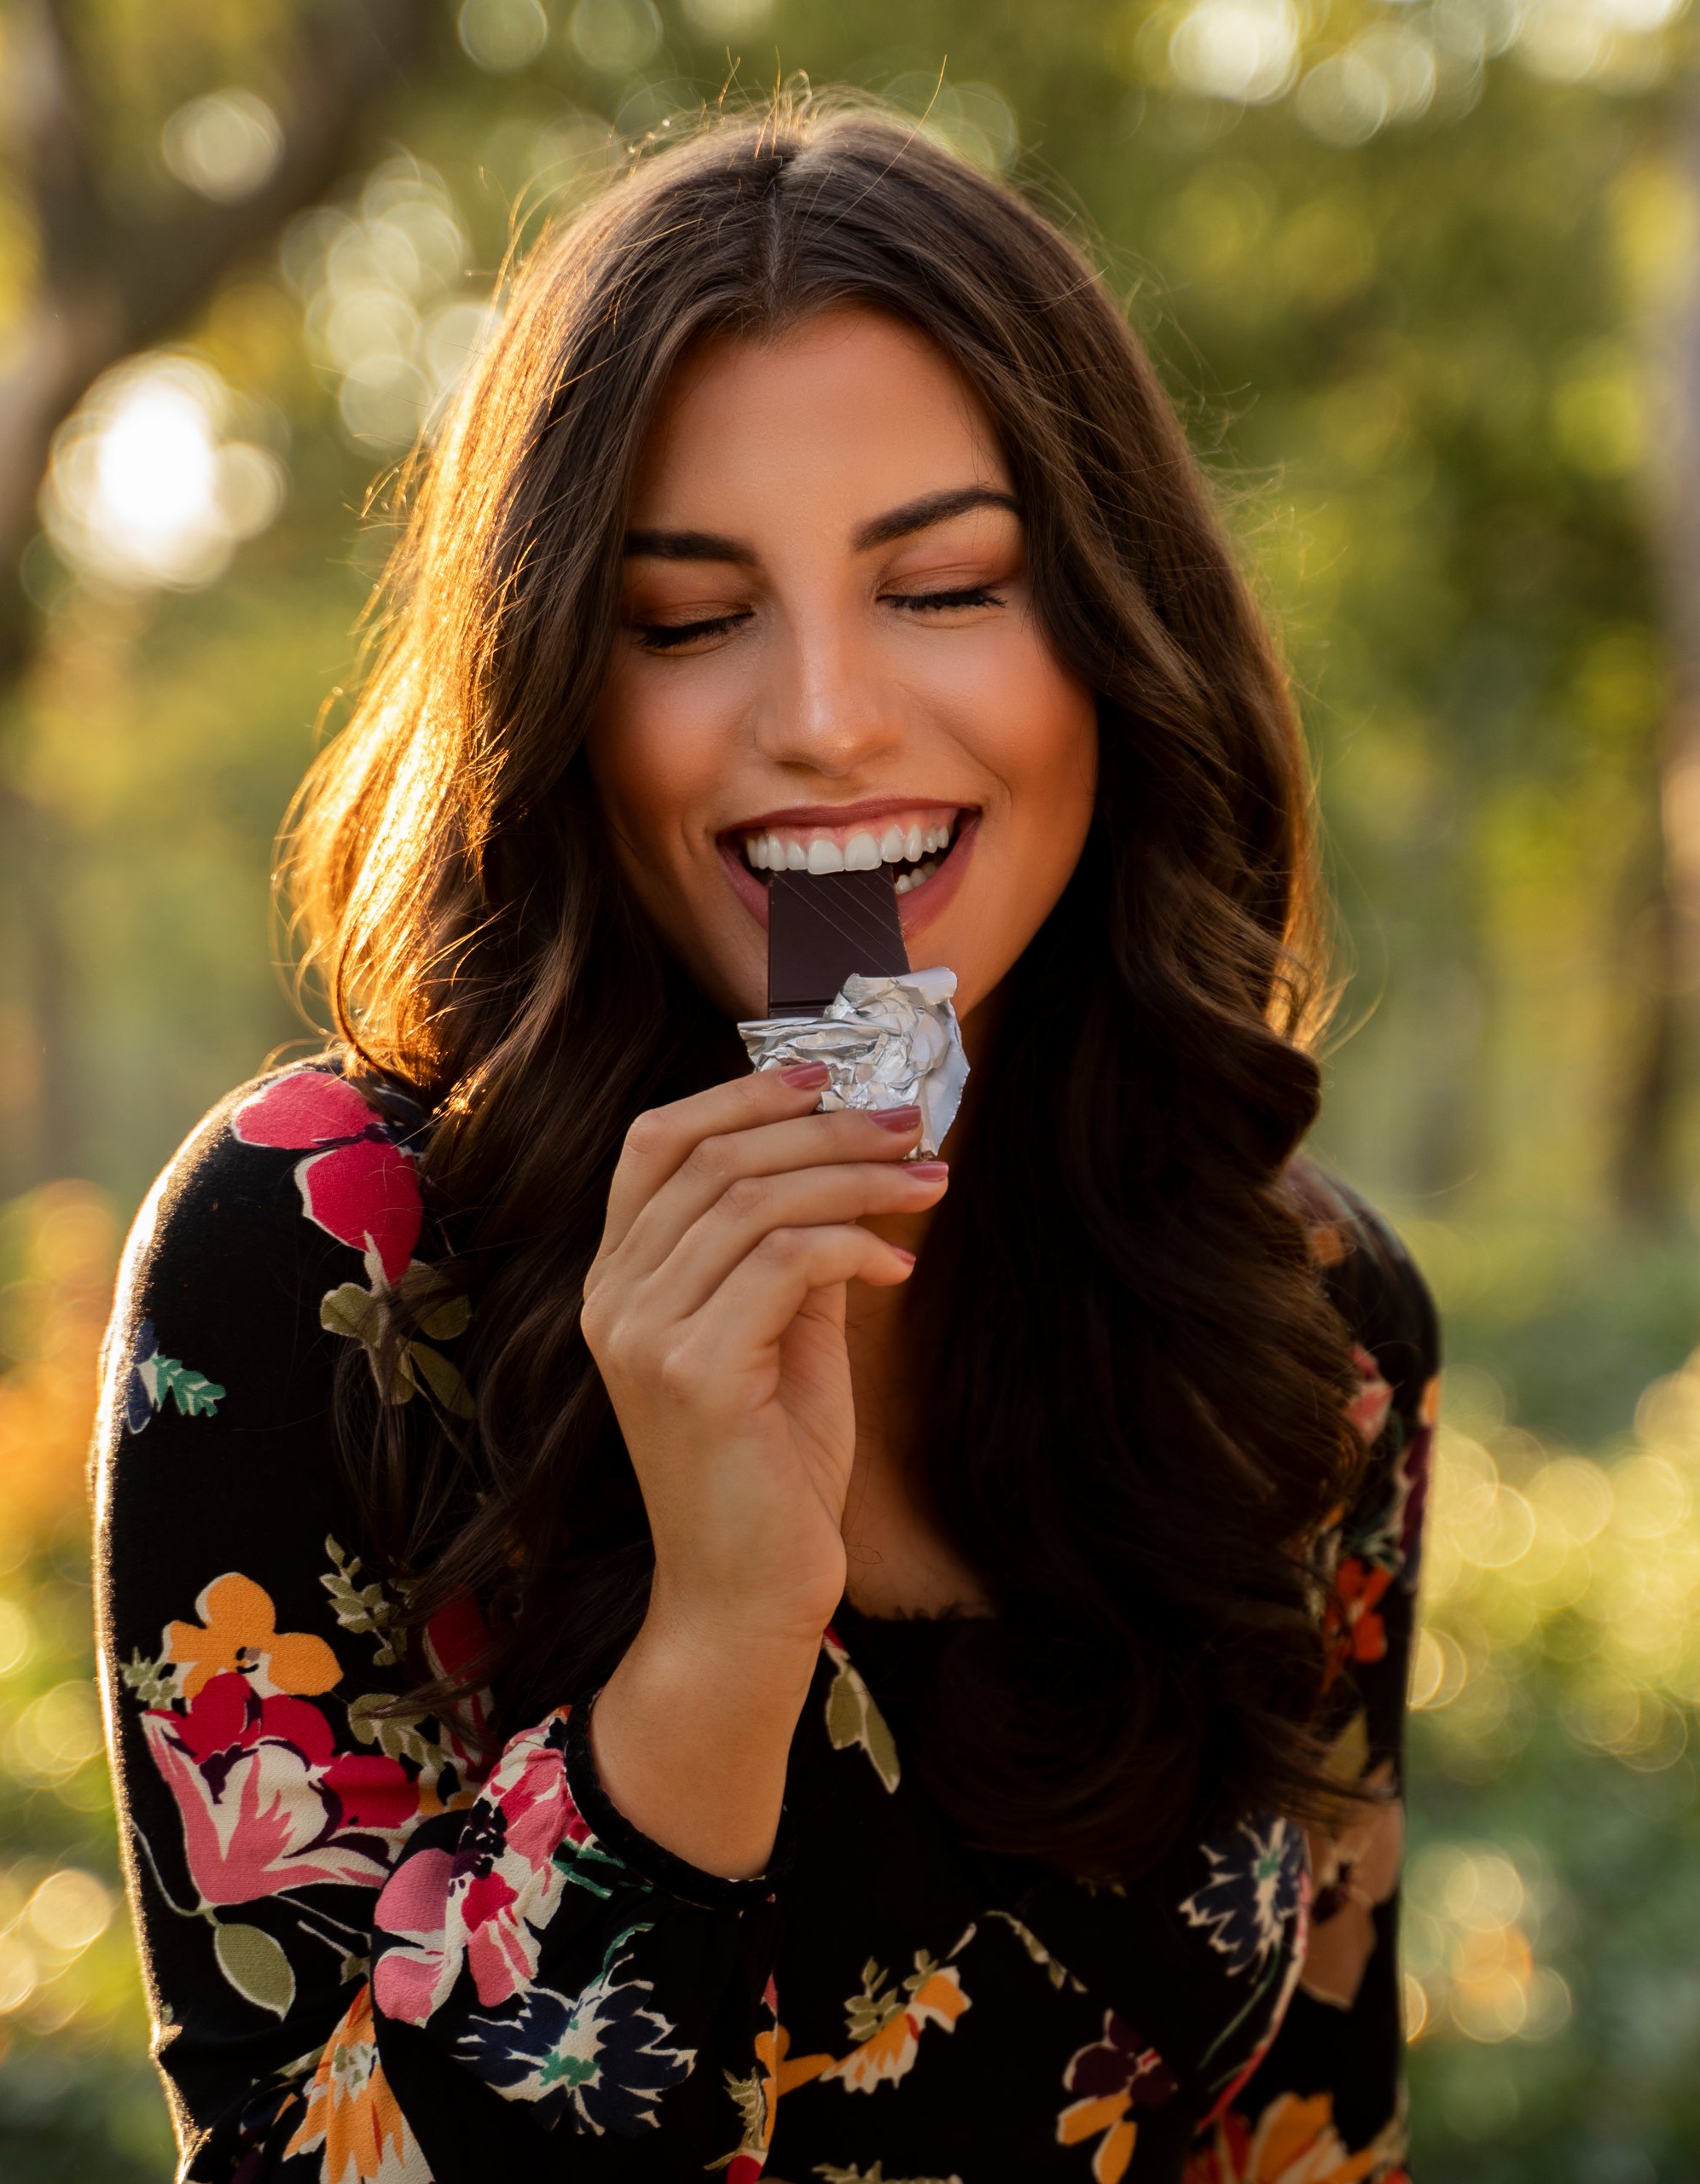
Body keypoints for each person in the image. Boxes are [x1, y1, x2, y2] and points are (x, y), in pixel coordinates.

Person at [96, 97, 1437, 2184]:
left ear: (1111, 638)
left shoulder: (1304, 1320)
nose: (821, 713)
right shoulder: (327, 1259)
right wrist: (719, 1631)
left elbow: (1317, 2138)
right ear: (561, 690)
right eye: (689, 618)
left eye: (947, 584)